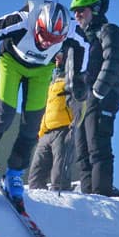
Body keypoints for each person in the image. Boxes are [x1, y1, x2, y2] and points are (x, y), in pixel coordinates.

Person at [0, 0, 75, 208]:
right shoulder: (21, 21)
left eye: (56, 39)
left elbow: (84, 47)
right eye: (45, 35)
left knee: (32, 126)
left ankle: (14, 174)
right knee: (4, 116)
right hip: (12, 62)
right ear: (38, 25)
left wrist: (79, 77)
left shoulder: (72, 29)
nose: (47, 42)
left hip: (42, 70)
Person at [66, 0, 119, 197]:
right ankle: (88, 198)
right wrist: (71, 94)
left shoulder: (109, 31)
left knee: (98, 146)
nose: (77, 16)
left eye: (81, 11)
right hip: (81, 100)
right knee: (82, 153)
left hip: (102, 98)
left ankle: (101, 195)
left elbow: (113, 62)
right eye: (74, 12)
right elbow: (71, 70)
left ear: (95, 10)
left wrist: (99, 91)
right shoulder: (80, 39)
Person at [27, 52, 74, 191]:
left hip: (63, 129)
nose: (57, 59)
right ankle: (37, 203)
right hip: (45, 133)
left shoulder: (72, 80)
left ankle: (63, 204)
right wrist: (40, 132)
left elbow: (80, 105)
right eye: (56, 57)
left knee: (59, 175)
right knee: (35, 176)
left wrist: (74, 125)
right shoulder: (51, 81)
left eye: (60, 56)